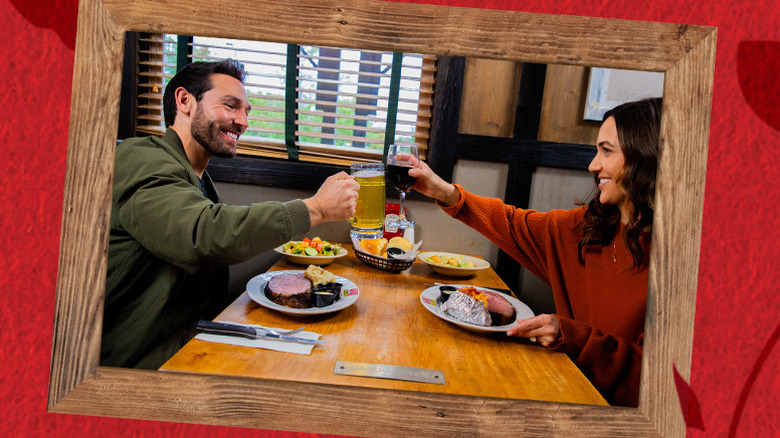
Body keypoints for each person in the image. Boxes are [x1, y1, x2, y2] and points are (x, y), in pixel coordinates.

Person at [101, 59, 359, 370]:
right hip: (140, 363)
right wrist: (314, 209)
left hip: (193, 341)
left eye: (246, 110)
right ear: (184, 101)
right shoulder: (141, 157)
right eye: (230, 105)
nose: (243, 121)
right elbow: (203, 236)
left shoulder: (196, 179)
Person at [408, 98, 662, 407]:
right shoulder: (589, 227)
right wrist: (446, 193)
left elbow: (657, 381)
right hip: (562, 390)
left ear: (645, 157)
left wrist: (574, 336)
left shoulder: (684, 266)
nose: (593, 165)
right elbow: (515, 224)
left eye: (606, 151)